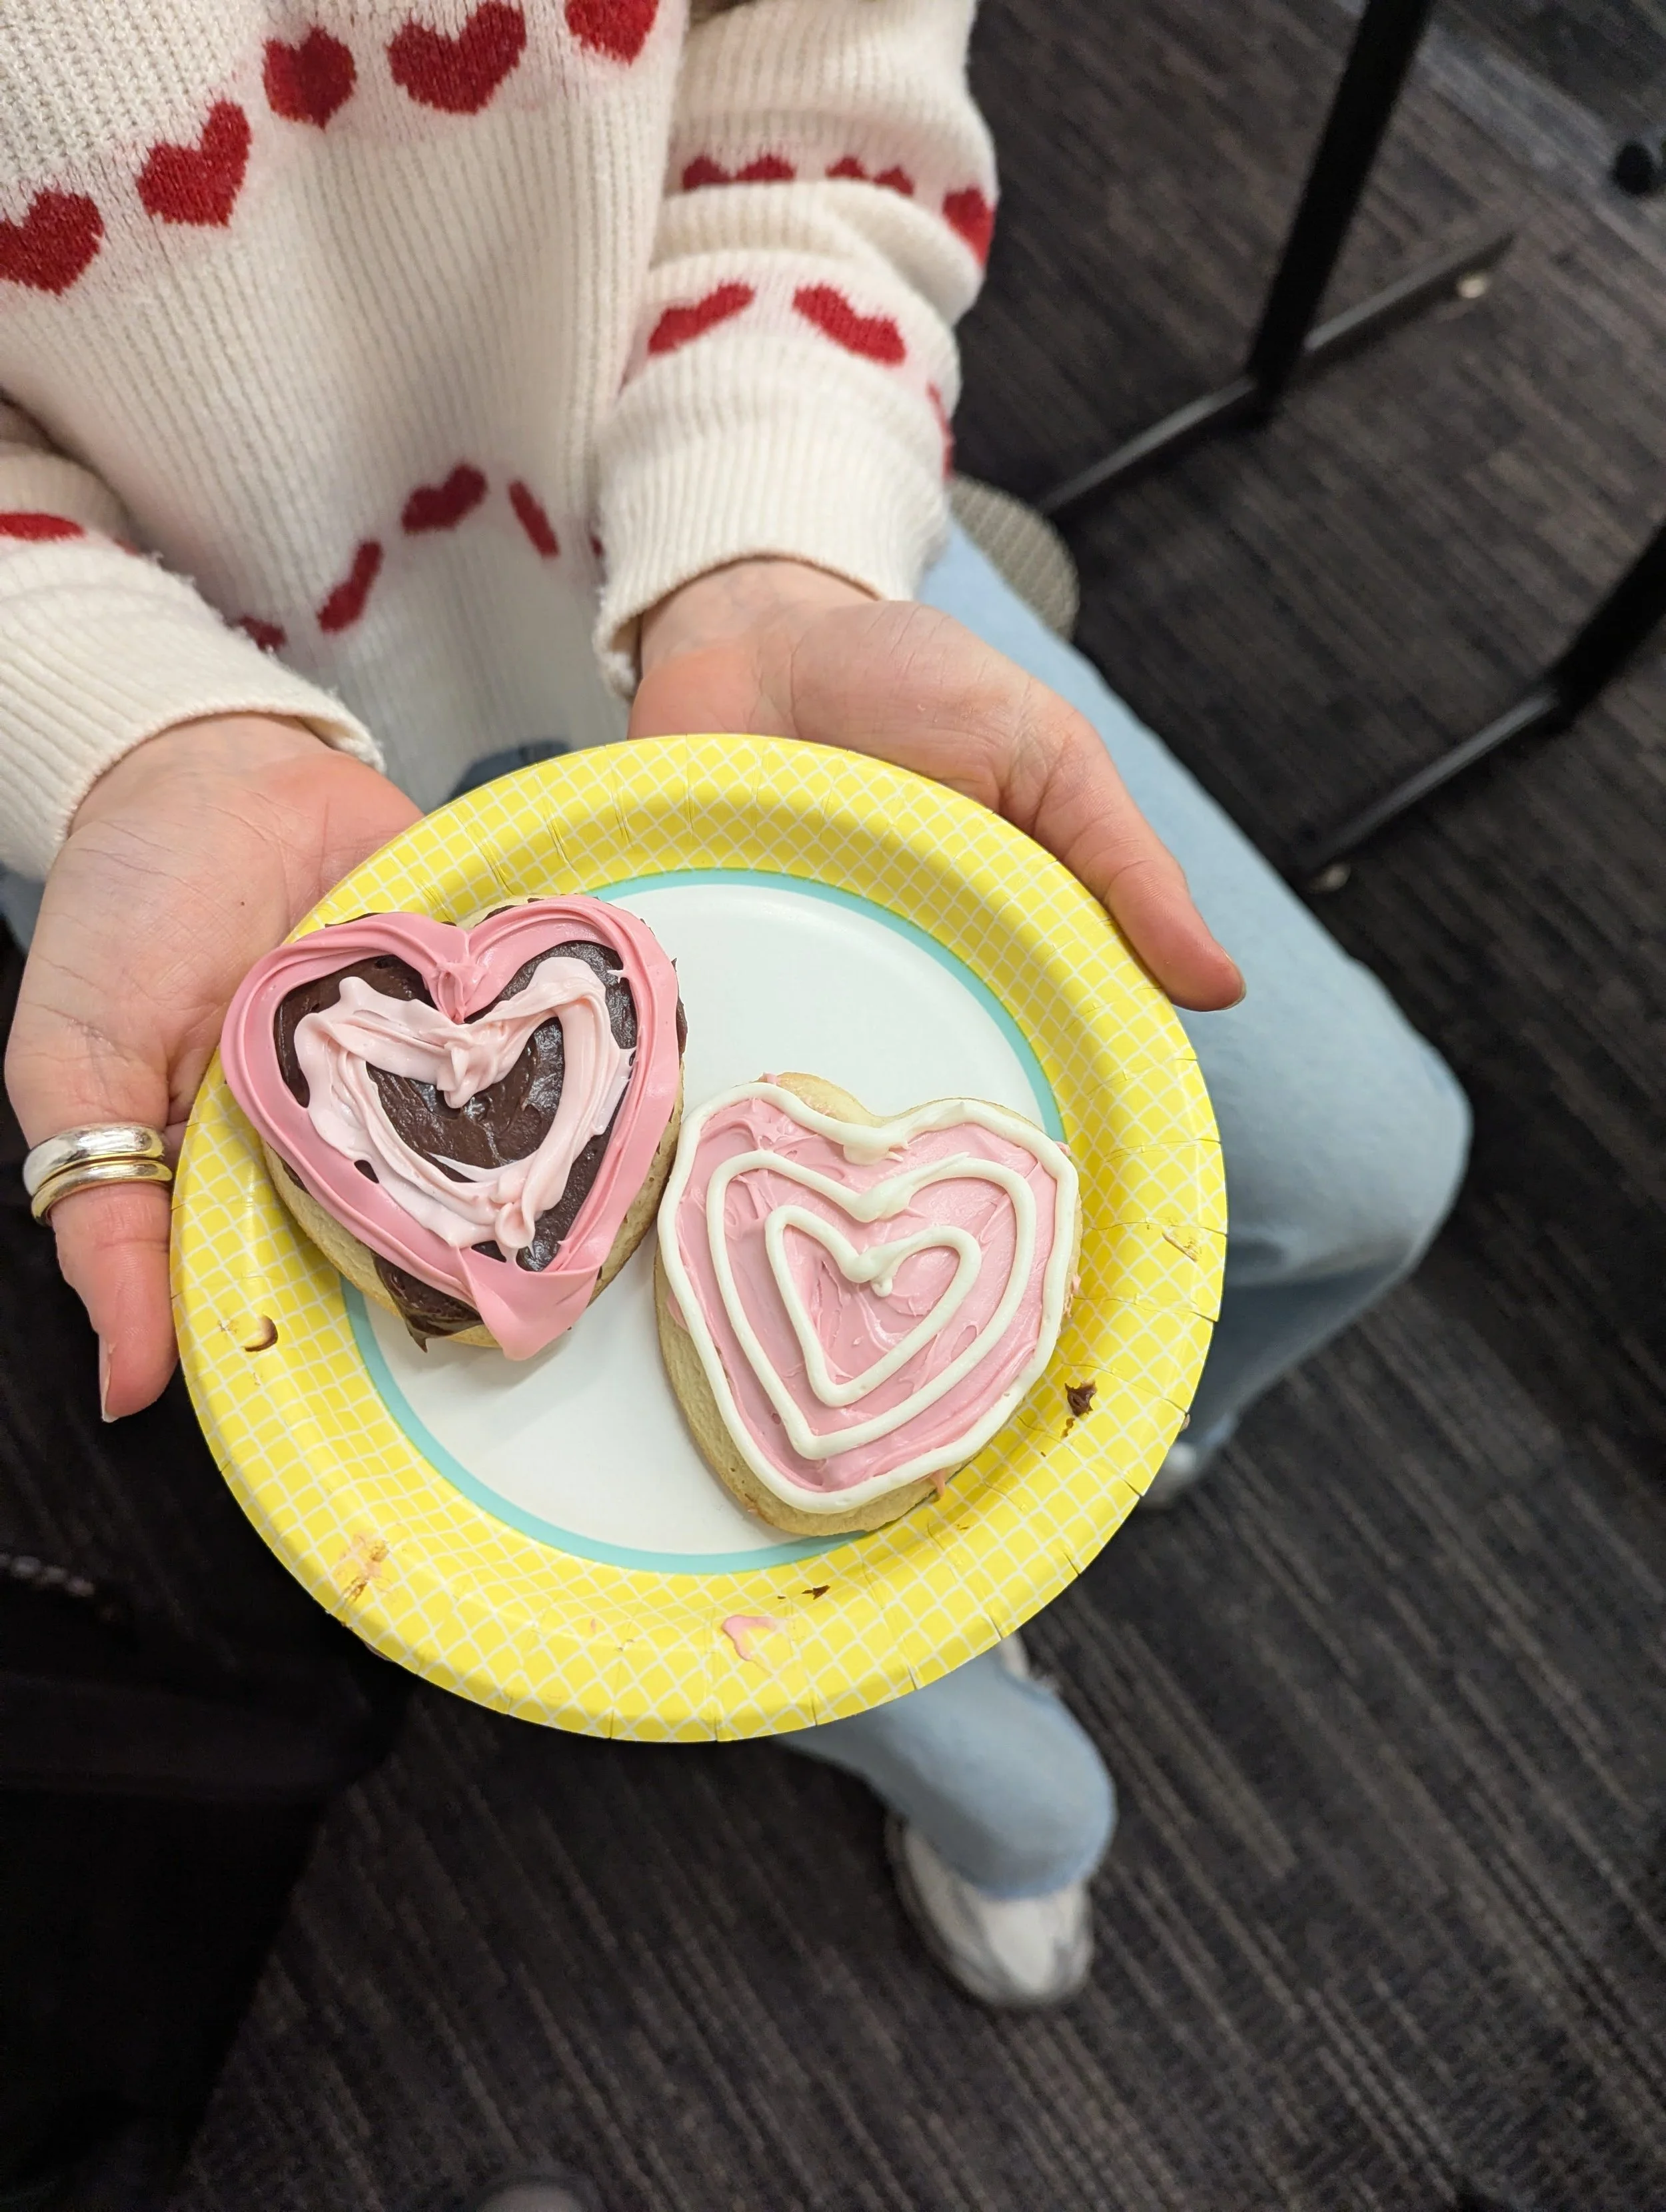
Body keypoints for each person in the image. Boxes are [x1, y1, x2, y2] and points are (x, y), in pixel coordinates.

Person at [0, 0, 1467, 2029]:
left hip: (756, 500)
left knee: (1371, 1163)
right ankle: (1001, 1794)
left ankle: (1123, 1428)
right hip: (163, 735)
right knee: (703, 1560)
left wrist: (768, 533)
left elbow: (815, 99)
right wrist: (130, 727)